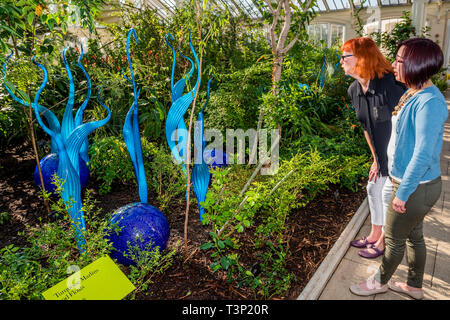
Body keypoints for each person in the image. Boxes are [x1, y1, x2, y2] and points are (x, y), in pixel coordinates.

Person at [350, 38, 448, 299]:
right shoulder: (412, 91)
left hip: (415, 186)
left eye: (399, 61)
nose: (393, 65)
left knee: (393, 240)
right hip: (410, 183)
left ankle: (378, 282)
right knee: (414, 236)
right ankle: (414, 286)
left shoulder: (430, 102)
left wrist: (402, 193)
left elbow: (424, 154)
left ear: (416, 65)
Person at [341, 37, 406, 258]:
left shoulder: (391, 86)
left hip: (399, 156)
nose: (341, 62)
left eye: (345, 57)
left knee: (388, 194)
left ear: (362, 58)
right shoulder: (354, 90)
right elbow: (366, 127)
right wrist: (376, 160)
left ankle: (384, 240)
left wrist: (396, 165)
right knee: (372, 188)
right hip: (381, 155)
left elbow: (405, 128)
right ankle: (374, 232)